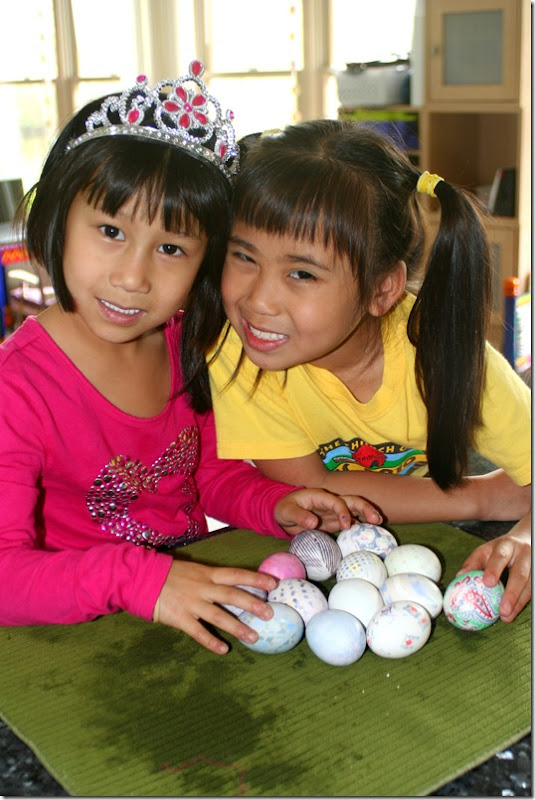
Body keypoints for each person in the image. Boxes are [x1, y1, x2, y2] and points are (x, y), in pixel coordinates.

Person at [0, 69, 380, 654]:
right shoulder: (16, 388)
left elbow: (208, 475)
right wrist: (142, 581)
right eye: (110, 230)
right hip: (71, 640)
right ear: (57, 217)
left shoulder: (185, 344)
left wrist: (273, 505)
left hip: (185, 603)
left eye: (171, 248)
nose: (133, 277)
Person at [208, 120, 531, 623]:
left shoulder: (452, 358)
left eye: (302, 273)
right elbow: (312, 489)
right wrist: (483, 497)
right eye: (243, 256)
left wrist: (525, 534)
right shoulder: (238, 350)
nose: (258, 300)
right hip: (438, 500)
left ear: (382, 290)